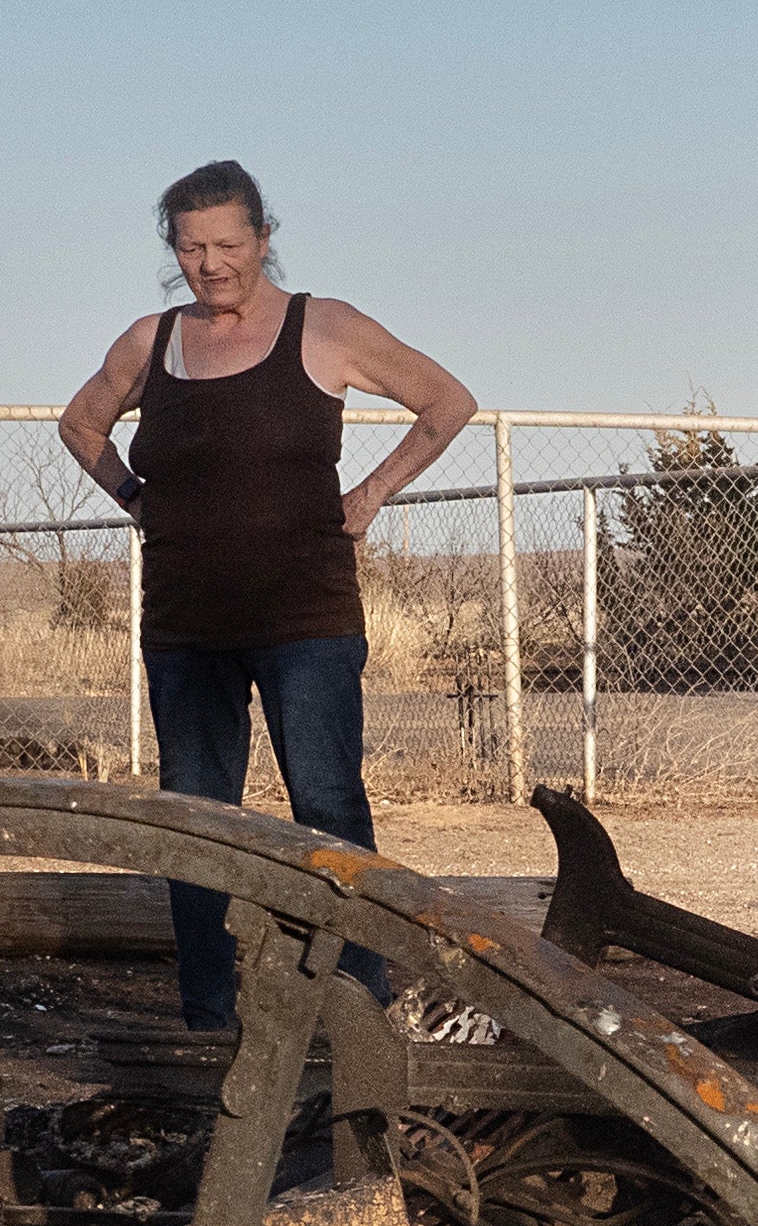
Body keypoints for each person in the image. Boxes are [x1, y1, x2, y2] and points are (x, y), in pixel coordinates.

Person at [59, 161, 476, 1028]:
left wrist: (369, 496)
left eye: (227, 245)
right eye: (191, 247)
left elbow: (446, 401)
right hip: (184, 626)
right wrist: (137, 500)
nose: (210, 264)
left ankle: (359, 1002)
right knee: (196, 818)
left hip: (305, 621)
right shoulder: (152, 339)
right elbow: (79, 424)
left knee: (326, 805)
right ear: (172, 248)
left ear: (263, 238)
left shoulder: (324, 327)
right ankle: (209, 1011)